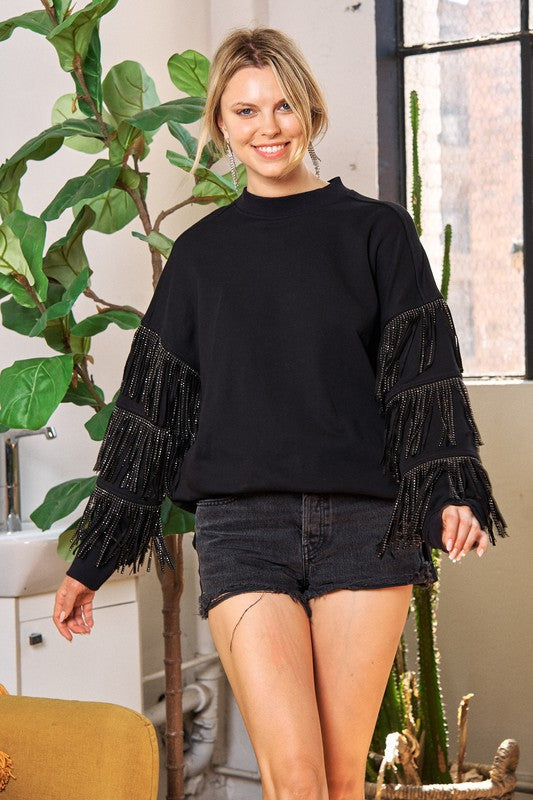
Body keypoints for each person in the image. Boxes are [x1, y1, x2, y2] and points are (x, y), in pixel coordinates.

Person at [53, 26, 508, 800]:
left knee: (337, 781)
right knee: (294, 780)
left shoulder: (377, 233)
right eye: (246, 111)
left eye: (284, 106)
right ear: (220, 125)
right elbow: (151, 416)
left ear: (310, 111)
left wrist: (447, 494)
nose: (268, 127)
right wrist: (92, 560)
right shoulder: (201, 256)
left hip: (366, 530)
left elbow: (420, 379)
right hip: (242, 533)